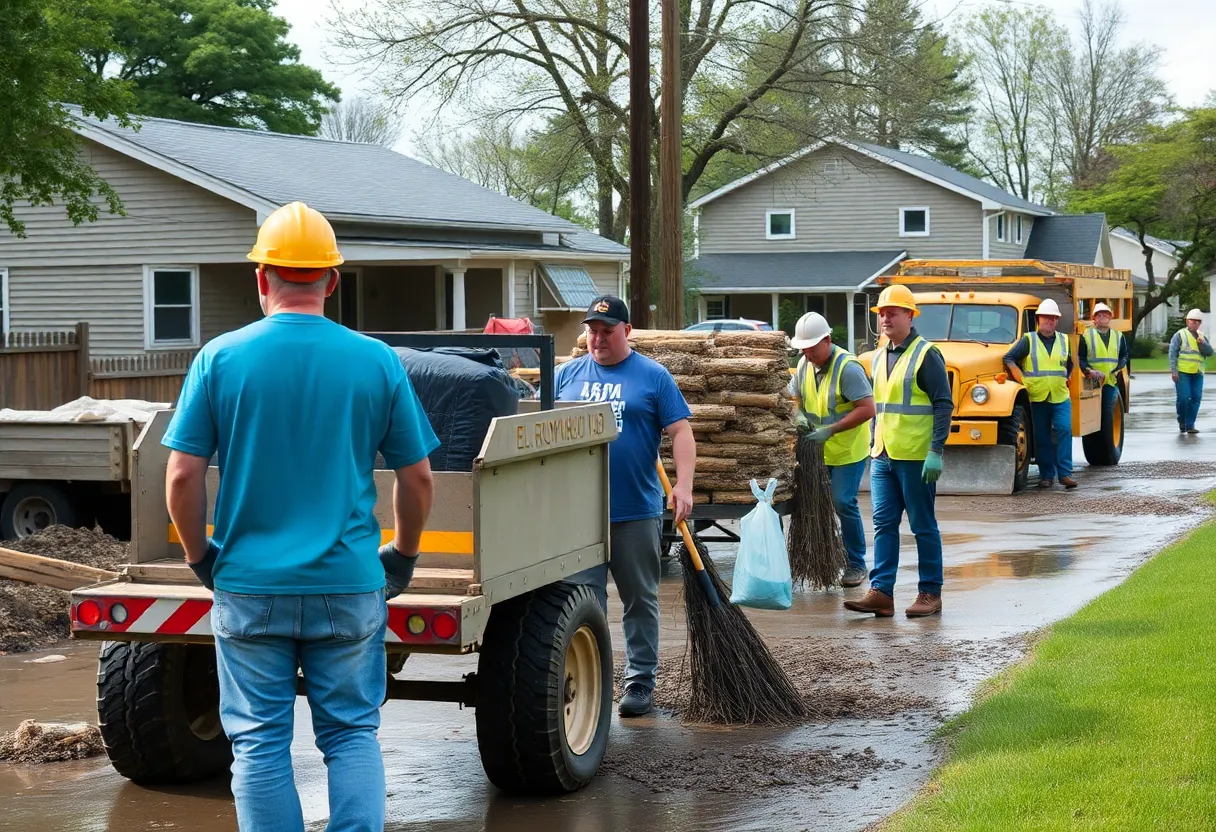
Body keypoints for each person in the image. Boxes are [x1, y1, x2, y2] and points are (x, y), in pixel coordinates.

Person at [162, 201, 440, 832]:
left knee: (259, 742)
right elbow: (418, 477)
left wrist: (200, 557)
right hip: (348, 583)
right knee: (350, 734)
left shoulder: (219, 359)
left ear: (262, 277)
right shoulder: (376, 360)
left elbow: (180, 476)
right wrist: (403, 555)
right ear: (332, 281)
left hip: (249, 584)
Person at [555, 295, 695, 717]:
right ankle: (591, 683)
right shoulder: (565, 376)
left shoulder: (653, 376)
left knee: (639, 600)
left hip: (634, 510)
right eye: (592, 331)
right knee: (581, 603)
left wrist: (683, 485)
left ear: (627, 331)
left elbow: (681, 432)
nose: (598, 339)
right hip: (577, 515)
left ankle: (639, 682)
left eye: (607, 331)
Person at [844, 285, 952, 618]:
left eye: (892, 313)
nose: (885, 318)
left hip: (916, 458)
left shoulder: (926, 355)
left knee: (922, 526)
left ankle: (930, 593)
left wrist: (936, 450)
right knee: (883, 524)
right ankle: (881, 593)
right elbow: (880, 407)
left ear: (909, 315)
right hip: (883, 456)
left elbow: (943, 404)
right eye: (881, 313)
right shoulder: (878, 357)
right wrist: (873, 445)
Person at [786, 311, 876, 588]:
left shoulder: (848, 368)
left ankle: (856, 562)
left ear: (827, 340)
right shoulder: (804, 364)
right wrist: (798, 414)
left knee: (842, 502)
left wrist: (830, 430)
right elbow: (793, 396)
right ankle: (824, 556)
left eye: (812, 347)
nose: (807, 353)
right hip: (816, 451)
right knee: (813, 502)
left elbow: (868, 408)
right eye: (803, 348)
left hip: (847, 450)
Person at [1003, 298, 1077, 489]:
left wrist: (1067, 376)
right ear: (1038, 319)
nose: (1049, 321)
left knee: (1064, 430)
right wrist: (1022, 380)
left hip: (1060, 395)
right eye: (1046, 317)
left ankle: (1065, 474)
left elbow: (1069, 363)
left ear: (1057, 320)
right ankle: (1047, 476)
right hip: (1036, 396)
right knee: (1042, 437)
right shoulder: (1028, 340)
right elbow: (1009, 358)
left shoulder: (1064, 340)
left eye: (1053, 318)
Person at [1079, 301, 1129, 413]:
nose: (1102, 316)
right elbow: (1081, 358)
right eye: (1099, 314)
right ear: (1094, 318)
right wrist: (1088, 371)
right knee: (1092, 414)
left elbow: (1124, 355)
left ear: (1110, 316)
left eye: (1105, 313)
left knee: (1108, 415)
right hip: (1092, 382)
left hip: (1110, 382)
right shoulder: (1086, 335)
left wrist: (1117, 369)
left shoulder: (1118, 336)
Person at [1169, 309, 1213, 434]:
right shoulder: (1180, 334)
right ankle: (1182, 421)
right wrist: (1174, 371)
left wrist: (1202, 344)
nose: (1196, 323)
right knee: (1183, 398)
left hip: (1197, 373)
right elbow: (1172, 353)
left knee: (1196, 398)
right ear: (1187, 321)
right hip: (1182, 372)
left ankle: (1190, 425)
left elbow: (1210, 352)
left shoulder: (1201, 336)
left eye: (1198, 321)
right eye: (1193, 321)